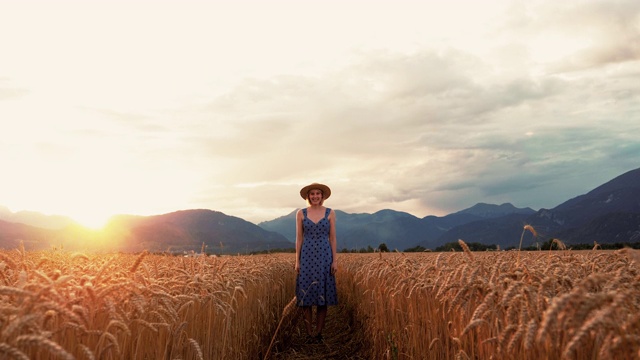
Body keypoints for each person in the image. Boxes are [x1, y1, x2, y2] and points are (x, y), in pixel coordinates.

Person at [295, 182, 338, 343]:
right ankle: (309, 334)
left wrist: (335, 260)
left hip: (324, 257)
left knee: (322, 298)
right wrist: (297, 261)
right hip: (306, 256)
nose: (315, 196)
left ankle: (318, 334)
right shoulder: (301, 213)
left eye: (317, 194)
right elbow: (299, 239)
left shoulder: (330, 213)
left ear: (322, 196)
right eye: (312, 194)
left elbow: (332, 238)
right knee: (306, 297)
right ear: (308, 196)